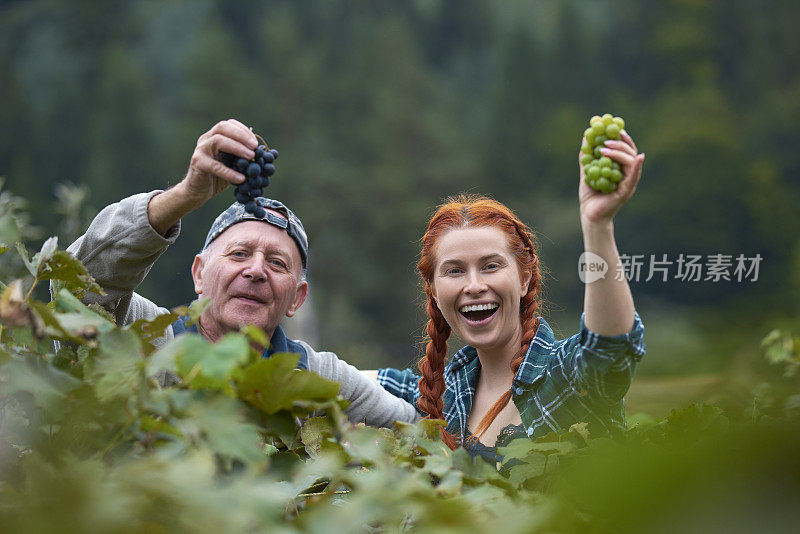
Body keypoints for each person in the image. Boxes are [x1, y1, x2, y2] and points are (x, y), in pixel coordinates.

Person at [59, 119, 417, 428]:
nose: (256, 270)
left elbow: (413, 427)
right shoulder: (149, 336)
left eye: (277, 263)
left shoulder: (315, 375)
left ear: (297, 298)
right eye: (239, 254)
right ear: (199, 274)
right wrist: (185, 195)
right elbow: (81, 281)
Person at [371, 131, 647, 459]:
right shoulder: (443, 392)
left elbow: (609, 349)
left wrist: (598, 225)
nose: (473, 285)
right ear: (432, 288)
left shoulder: (565, 375)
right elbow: (334, 378)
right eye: (454, 270)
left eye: (491, 266)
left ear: (525, 278)